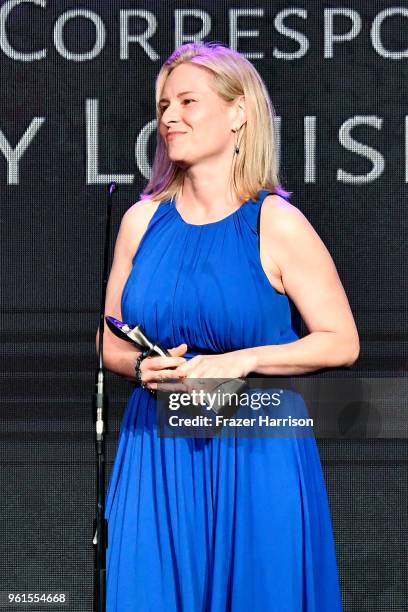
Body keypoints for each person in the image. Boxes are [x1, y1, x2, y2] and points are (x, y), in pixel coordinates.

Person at [97, 42, 359, 611]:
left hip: (256, 445)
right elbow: (109, 341)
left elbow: (341, 341)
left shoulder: (277, 223)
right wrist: (143, 365)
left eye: (188, 101)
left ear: (239, 113)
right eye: (163, 104)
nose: (169, 117)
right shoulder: (141, 221)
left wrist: (240, 360)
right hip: (154, 446)